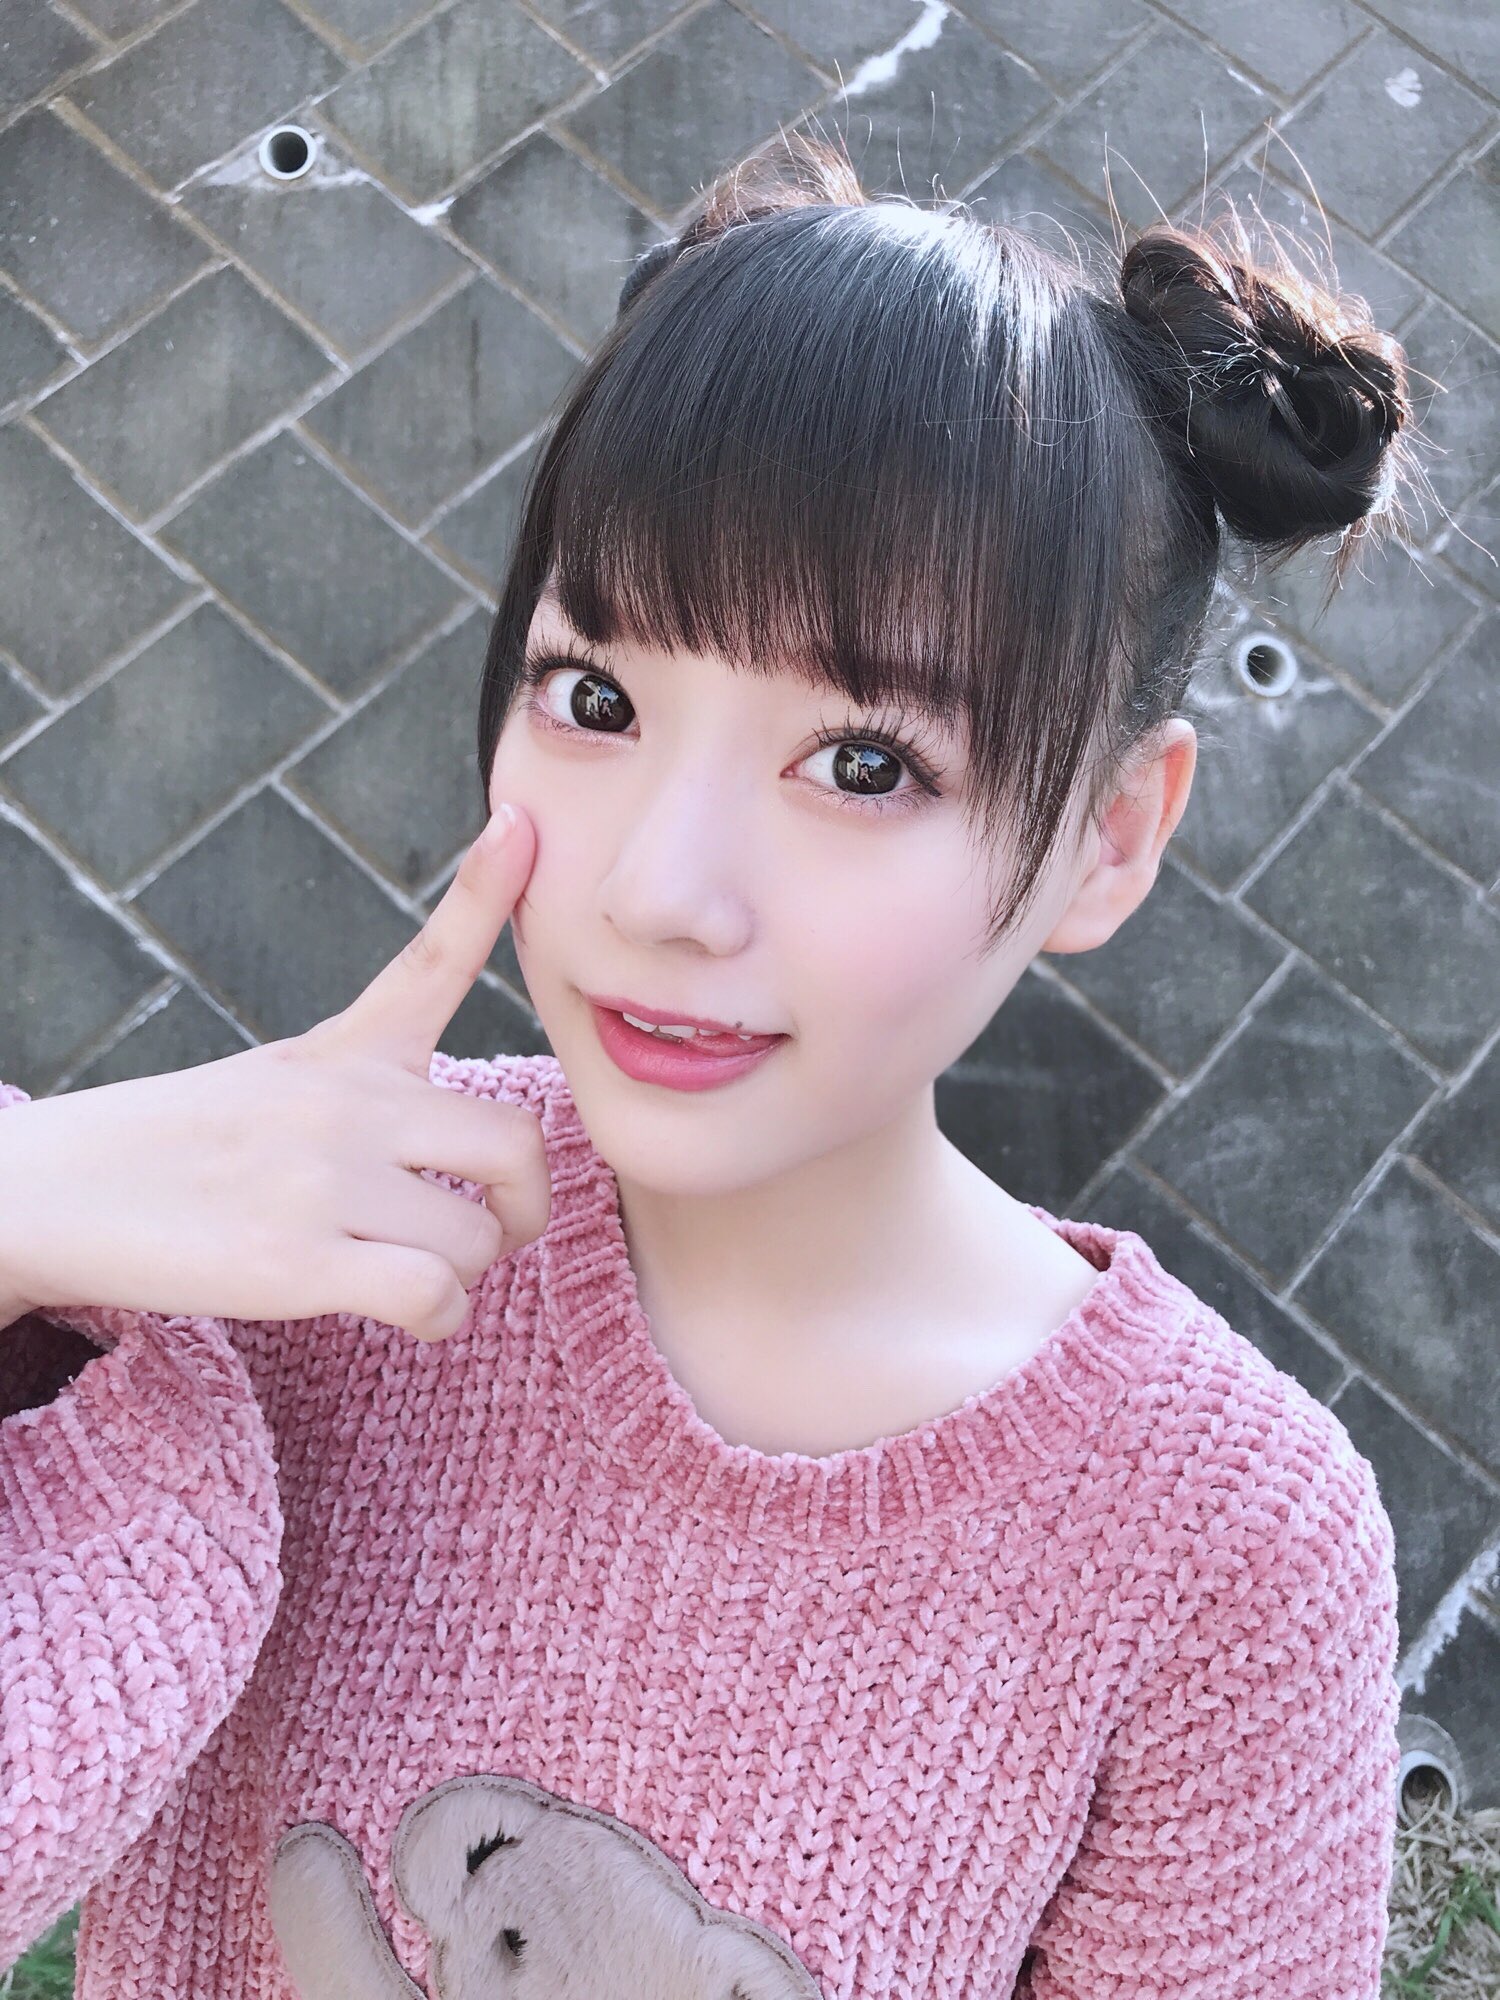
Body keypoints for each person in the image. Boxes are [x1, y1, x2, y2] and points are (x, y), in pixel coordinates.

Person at [0, 130, 1421, 1999]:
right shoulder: (288, 1251)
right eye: (595, 698)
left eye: (863, 763)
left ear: (1111, 836)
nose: (659, 893)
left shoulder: (1225, 1557)